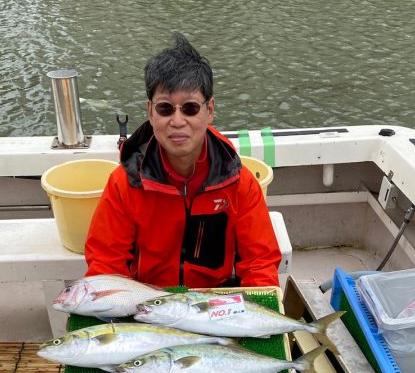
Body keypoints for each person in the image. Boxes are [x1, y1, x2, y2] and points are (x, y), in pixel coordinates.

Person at [85, 33, 281, 288]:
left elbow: (260, 264)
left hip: (215, 301)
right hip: (147, 301)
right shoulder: (125, 183)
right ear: (150, 112)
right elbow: (106, 263)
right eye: (165, 108)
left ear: (209, 110)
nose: (177, 122)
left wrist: (256, 312)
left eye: (190, 108)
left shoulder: (240, 184)